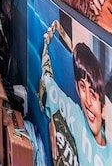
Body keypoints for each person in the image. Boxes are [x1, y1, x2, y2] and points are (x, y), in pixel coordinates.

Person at [39, 21, 110, 165]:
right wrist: (53, 118)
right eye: (83, 87)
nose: (88, 101)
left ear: (104, 109)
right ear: (77, 88)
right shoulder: (75, 113)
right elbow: (47, 82)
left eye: (94, 94)